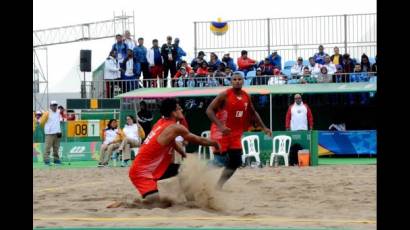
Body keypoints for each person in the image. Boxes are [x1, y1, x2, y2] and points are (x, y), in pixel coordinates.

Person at [125, 98, 220, 206]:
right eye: (179, 108)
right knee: (157, 204)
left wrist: (183, 154)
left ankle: (192, 203)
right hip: (140, 173)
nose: (182, 110)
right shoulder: (175, 128)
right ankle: (125, 205)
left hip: (151, 167)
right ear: (173, 112)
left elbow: (172, 142)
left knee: (183, 171)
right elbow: (200, 140)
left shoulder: (160, 122)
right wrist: (216, 144)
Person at [206, 71, 271, 190]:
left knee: (236, 162)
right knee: (220, 161)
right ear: (231, 82)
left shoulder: (246, 96)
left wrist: (264, 127)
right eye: (234, 79)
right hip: (221, 133)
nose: (237, 81)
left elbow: (253, 112)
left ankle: (219, 186)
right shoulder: (224, 94)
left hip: (235, 134)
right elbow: (209, 110)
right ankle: (197, 171)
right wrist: (220, 126)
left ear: (243, 81)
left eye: (239, 79)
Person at [39, 101, 63, 165]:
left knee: (56, 148)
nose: (55, 106)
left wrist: (59, 131)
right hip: (49, 133)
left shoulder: (58, 112)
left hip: (57, 133)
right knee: (47, 148)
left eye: (55, 105)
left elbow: (59, 122)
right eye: (53, 105)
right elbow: (41, 122)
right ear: (50, 106)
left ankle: (56, 160)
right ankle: (46, 161)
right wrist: (47, 129)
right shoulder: (47, 113)